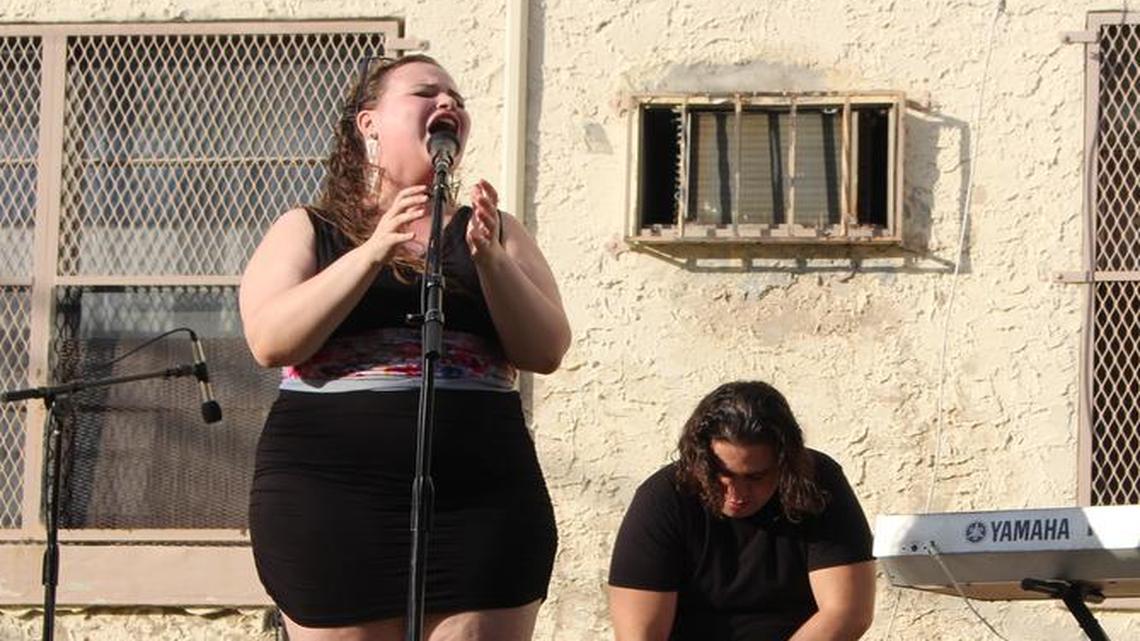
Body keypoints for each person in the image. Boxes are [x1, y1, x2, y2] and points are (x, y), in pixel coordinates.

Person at [240, 54, 571, 641]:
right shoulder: (310, 226)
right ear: (369, 123)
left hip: (482, 499)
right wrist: (372, 251)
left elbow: (545, 350)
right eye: (425, 93)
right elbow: (269, 340)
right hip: (332, 499)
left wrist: (489, 257)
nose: (448, 104)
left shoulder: (495, 229)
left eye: (457, 99)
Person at [608, 381, 875, 641]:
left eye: (756, 477)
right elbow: (639, 635)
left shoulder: (818, 483)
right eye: (722, 475)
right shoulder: (663, 499)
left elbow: (847, 613)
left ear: (785, 464)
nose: (736, 494)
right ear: (699, 460)